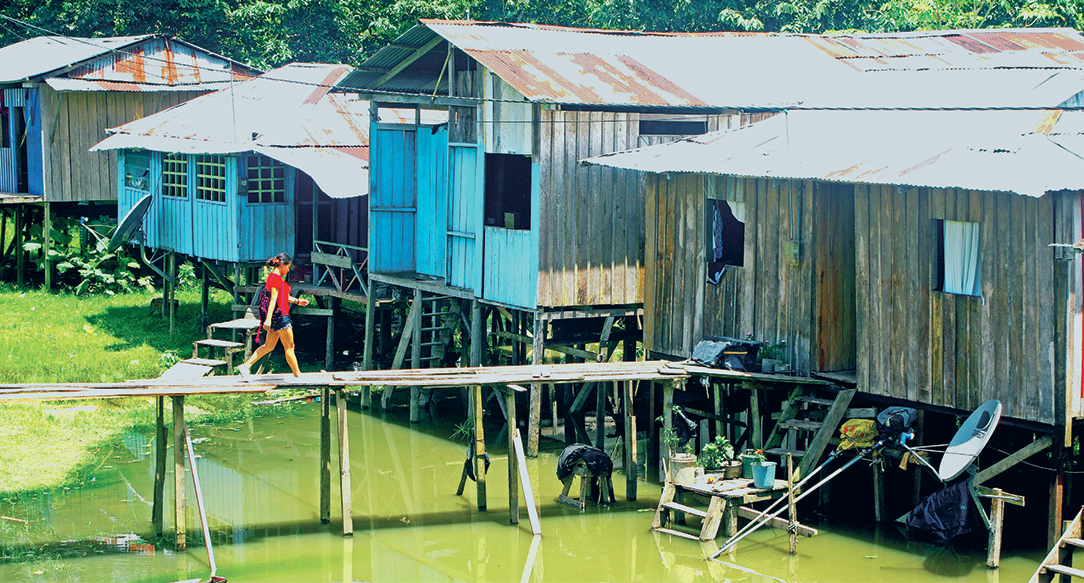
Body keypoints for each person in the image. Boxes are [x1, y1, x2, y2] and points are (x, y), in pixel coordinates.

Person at [238, 253, 309, 378]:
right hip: (280, 317)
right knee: (290, 347)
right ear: (282, 265)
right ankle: (298, 375)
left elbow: (282, 297)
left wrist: (297, 301)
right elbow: (273, 300)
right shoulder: (276, 279)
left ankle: (246, 366)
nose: (288, 270)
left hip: (276, 318)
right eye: (288, 267)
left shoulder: (272, 277)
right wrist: (268, 320)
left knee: (268, 346)